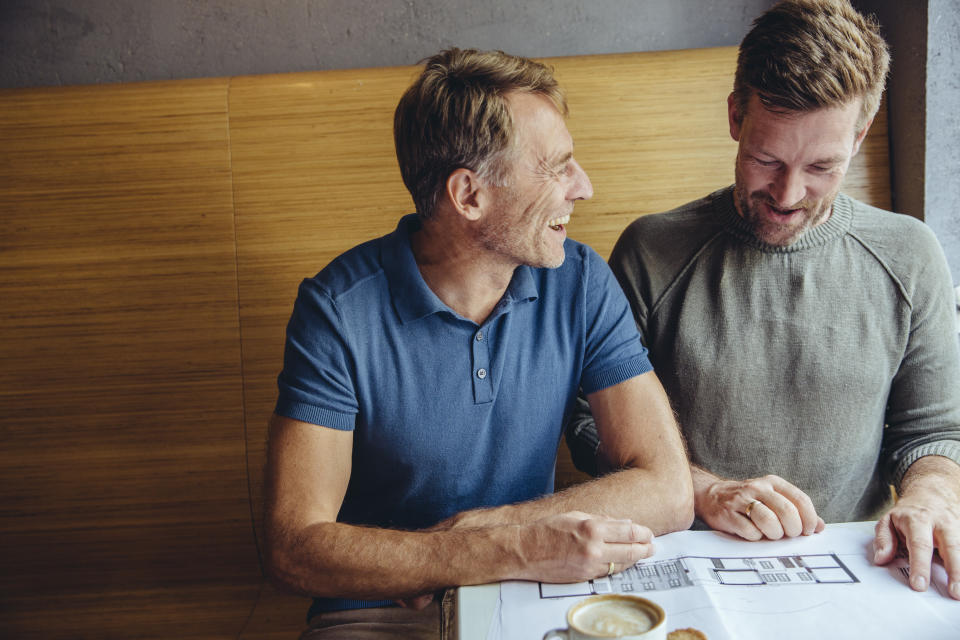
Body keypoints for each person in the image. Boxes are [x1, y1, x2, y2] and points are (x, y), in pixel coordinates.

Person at [264, 48, 694, 639]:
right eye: (555, 167)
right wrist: (505, 548)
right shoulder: (336, 311)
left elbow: (668, 490)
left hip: (538, 592)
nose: (583, 187)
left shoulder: (582, 280)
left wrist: (497, 537)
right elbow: (294, 548)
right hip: (381, 612)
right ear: (469, 195)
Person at [567, 0, 960, 600]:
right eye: (766, 159)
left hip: (856, 571)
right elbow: (588, 422)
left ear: (858, 138)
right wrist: (702, 491)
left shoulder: (910, 256)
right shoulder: (652, 251)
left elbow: (933, 432)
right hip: (684, 565)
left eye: (823, 166)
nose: (787, 194)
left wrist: (930, 494)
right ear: (734, 118)